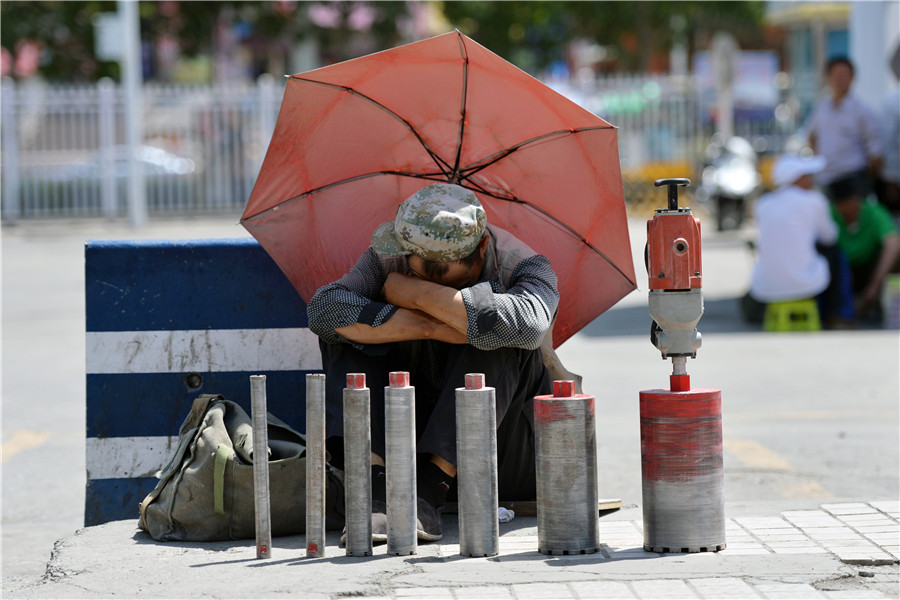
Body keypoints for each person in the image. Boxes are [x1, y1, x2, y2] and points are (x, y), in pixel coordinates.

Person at [307, 182, 558, 543]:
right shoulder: (390, 256)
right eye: (415, 269)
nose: (418, 275)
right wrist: (429, 324)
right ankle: (376, 491)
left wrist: (413, 293)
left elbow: (531, 325)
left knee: (502, 333)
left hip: (497, 452)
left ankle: (431, 487)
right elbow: (324, 310)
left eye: (438, 275)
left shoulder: (523, 266)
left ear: (481, 246)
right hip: (406, 437)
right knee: (347, 334)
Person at [748, 153, 850, 326]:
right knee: (836, 255)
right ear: (798, 178)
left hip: (764, 286)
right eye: (808, 176)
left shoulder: (763, 203)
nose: (811, 180)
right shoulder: (814, 200)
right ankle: (838, 315)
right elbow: (830, 237)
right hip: (805, 283)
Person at [807, 56, 883, 201]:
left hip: (853, 180)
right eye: (836, 75)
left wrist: (866, 179)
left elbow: (876, 153)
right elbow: (812, 135)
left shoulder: (862, 111)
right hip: (826, 179)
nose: (840, 80)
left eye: (844, 75)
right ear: (828, 78)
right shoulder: (821, 108)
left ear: (852, 78)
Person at [829, 176, 900, 320]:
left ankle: (882, 304)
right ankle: (836, 311)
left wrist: (875, 285)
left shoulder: (873, 212)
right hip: (841, 272)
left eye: (853, 202)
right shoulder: (829, 213)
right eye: (843, 205)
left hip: (871, 269)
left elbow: (893, 242)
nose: (849, 208)